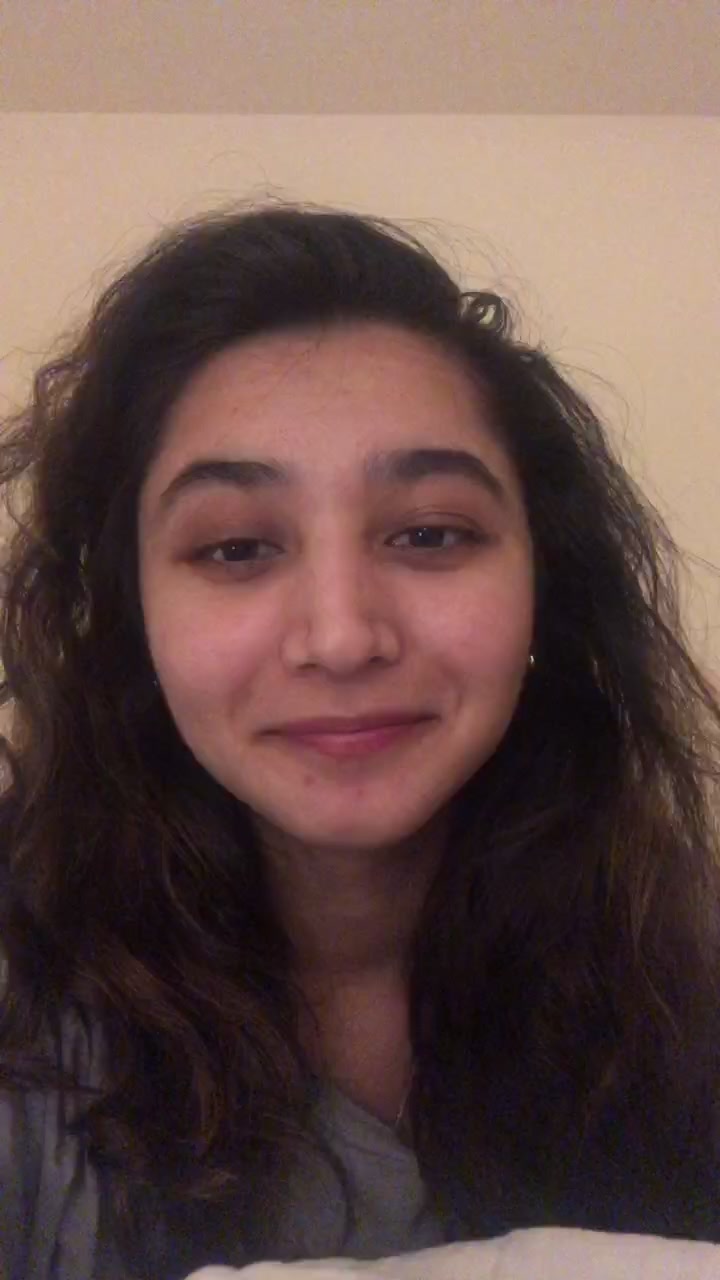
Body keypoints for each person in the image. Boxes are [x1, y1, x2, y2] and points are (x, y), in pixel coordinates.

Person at [0, 200, 719, 1280]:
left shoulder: (684, 986)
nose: (340, 638)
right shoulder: (26, 1005)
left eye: (430, 533)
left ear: (545, 586)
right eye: (236, 548)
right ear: (134, 614)